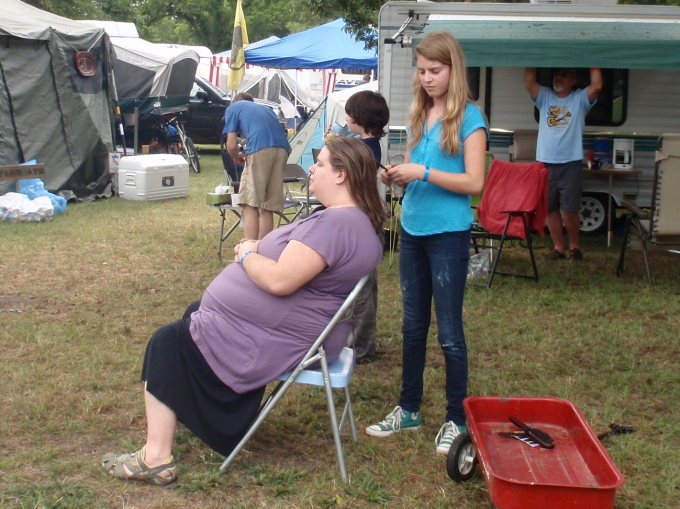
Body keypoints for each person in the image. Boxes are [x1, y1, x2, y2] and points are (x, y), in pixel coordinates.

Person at [101, 137, 386, 487]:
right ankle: (207, 413)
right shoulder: (352, 221)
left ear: (341, 175)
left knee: (167, 342)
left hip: (284, 337)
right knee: (193, 314)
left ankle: (156, 458)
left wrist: (248, 255)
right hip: (296, 330)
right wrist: (258, 248)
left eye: (321, 163)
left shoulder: (337, 225)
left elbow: (281, 281)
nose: (312, 168)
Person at [365, 31, 487, 456]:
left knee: (449, 333)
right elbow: (416, 168)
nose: (427, 78)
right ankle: (409, 409)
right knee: (412, 327)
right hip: (413, 229)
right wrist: (397, 175)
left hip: (448, 234)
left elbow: (475, 182)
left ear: (454, 69)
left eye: (435, 70)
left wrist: (422, 173)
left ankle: (456, 419)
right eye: (421, 71)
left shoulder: (471, 118)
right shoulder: (420, 112)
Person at [524, 67, 602, 260]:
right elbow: (529, 83)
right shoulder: (545, 96)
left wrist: (595, 62)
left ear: (574, 81)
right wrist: (530, 58)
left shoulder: (579, 99)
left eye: (564, 75)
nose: (558, 77)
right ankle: (558, 248)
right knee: (550, 208)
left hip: (570, 162)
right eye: (556, 74)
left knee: (570, 210)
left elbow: (597, 85)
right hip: (545, 162)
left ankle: (575, 247)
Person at [343, 90, 390, 364]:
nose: (346, 118)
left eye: (349, 113)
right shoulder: (368, 145)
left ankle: (360, 349)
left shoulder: (365, 149)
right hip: (369, 221)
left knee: (360, 288)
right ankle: (363, 343)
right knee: (365, 286)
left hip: (363, 223)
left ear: (360, 117)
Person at [223, 92, 291, 240]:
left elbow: (232, 145)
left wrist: (236, 157)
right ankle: (263, 246)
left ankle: (250, 246)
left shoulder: (233, 108)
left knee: (249, 203)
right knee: (267, 205)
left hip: (261, 148)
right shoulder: (266, 109)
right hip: (283, 149)